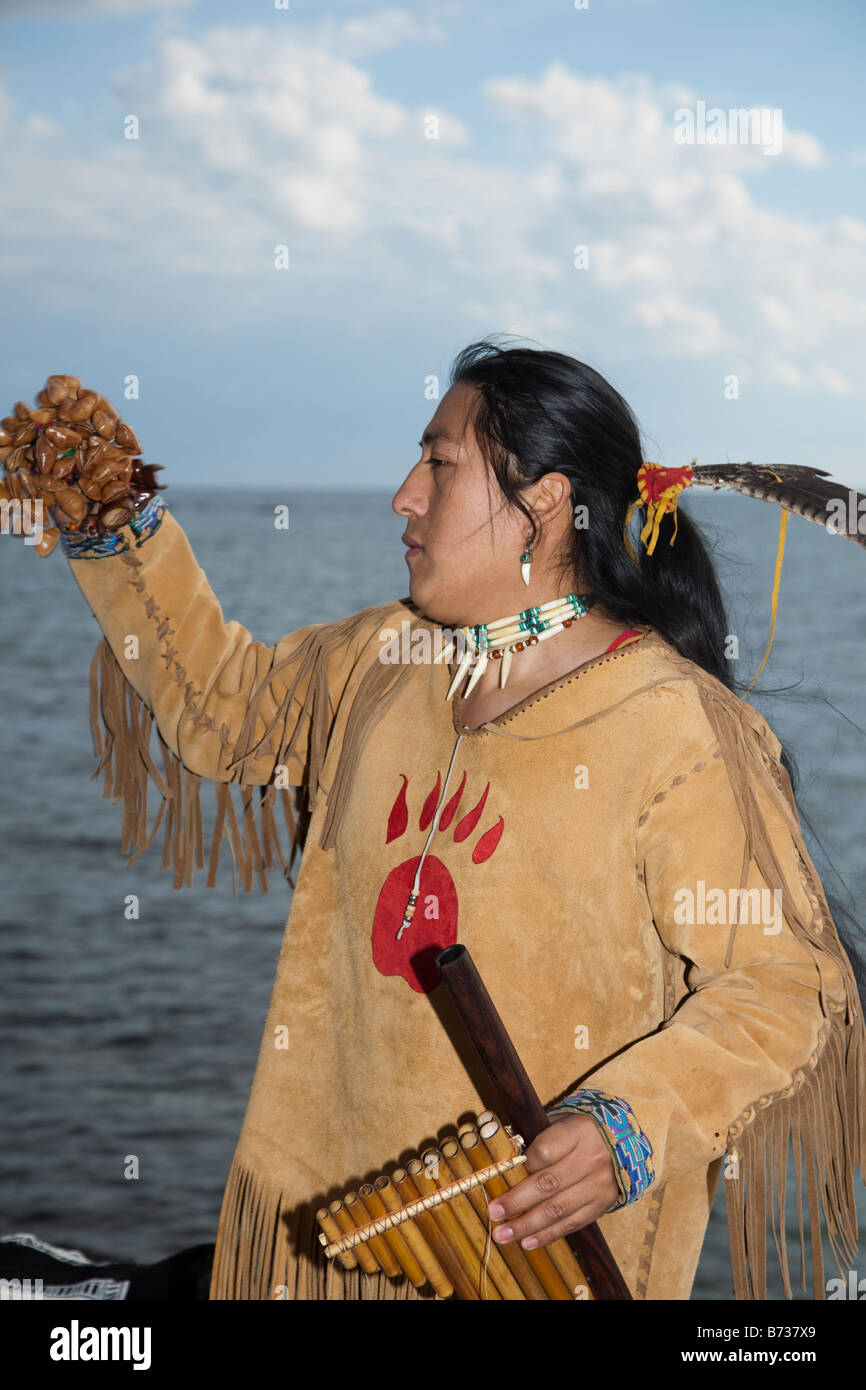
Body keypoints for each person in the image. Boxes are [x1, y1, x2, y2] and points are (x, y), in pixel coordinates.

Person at [22, 342, 866, 1300]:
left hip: (524, 1263)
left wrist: (625, 1127)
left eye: (439, 463)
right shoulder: (383, 658)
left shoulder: (679, 729)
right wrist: (116, 524)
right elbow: (223, 713)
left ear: (543, 505)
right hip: (312, 1241)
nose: (401, 497)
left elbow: (789, 984)